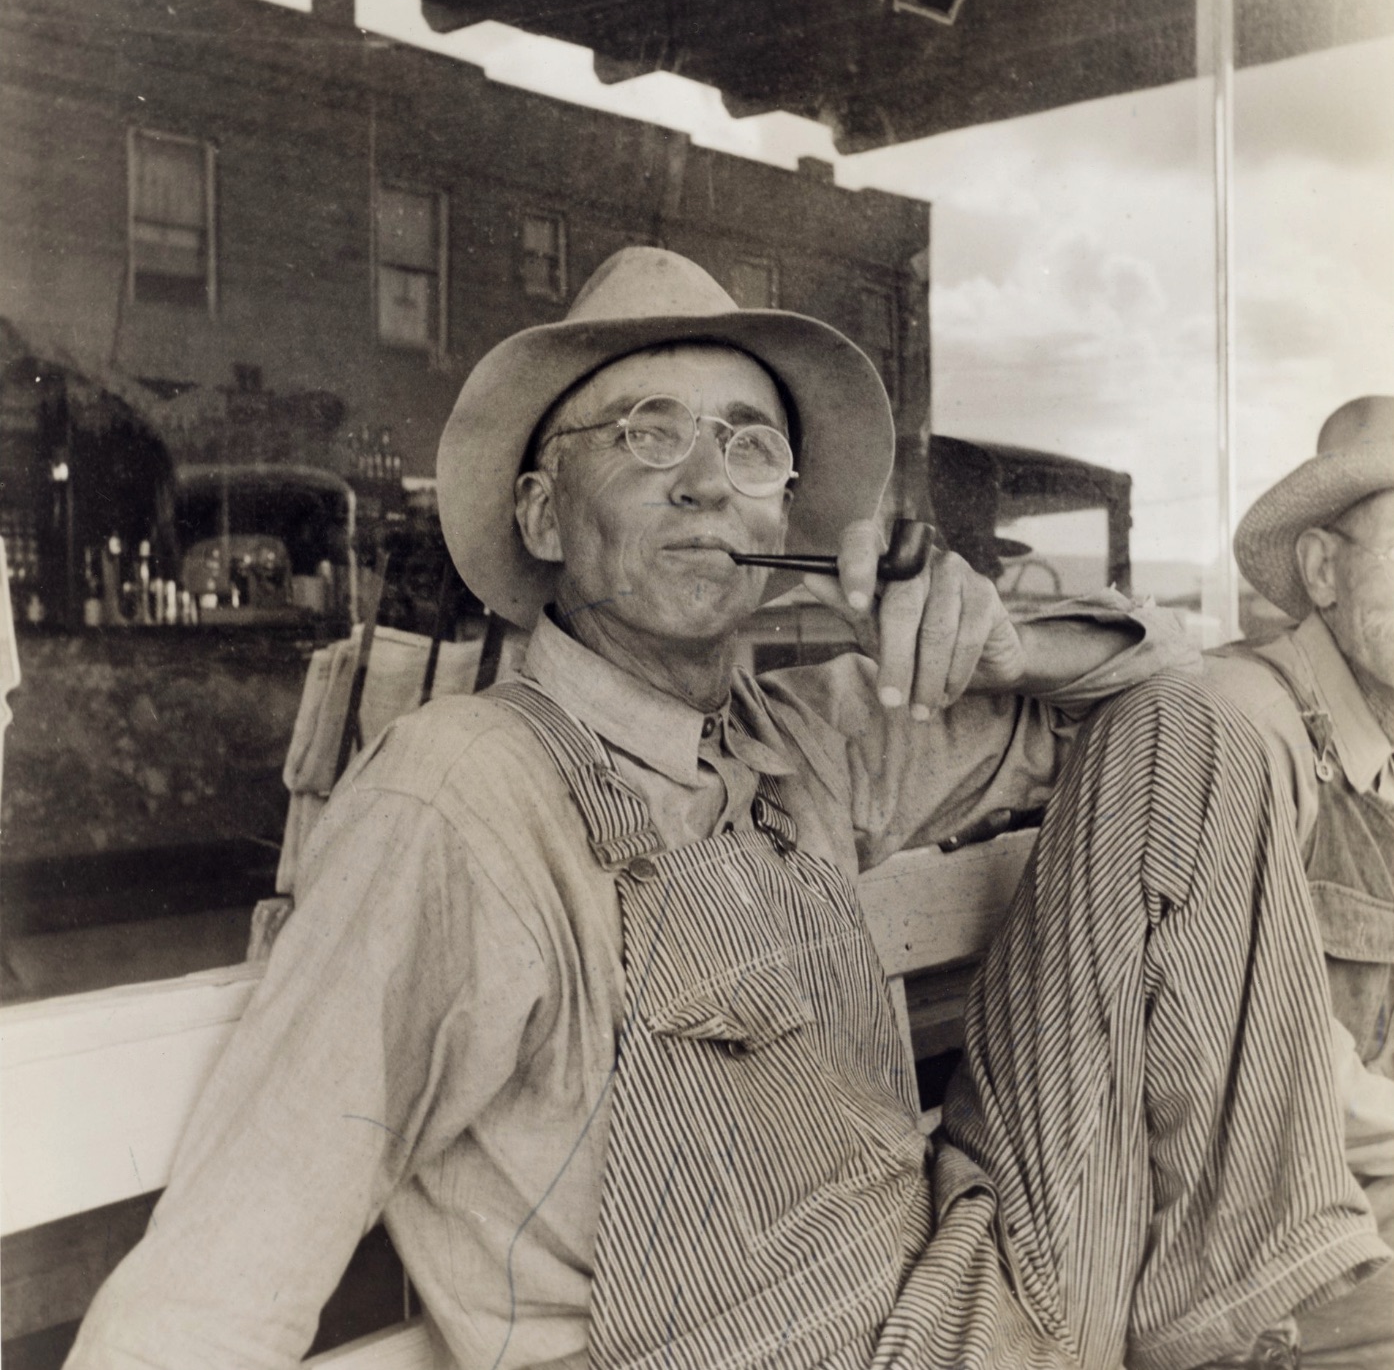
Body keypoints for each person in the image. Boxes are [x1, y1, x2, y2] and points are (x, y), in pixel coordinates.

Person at [67, 250, 1387, 1370]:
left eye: (747, 443)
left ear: (786, 517)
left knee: (1196, 720)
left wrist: (1000, 645)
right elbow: (216, 1276)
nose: (706, 478)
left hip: (981, 1306)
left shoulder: (795, 740)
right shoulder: (458, 797)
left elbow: (1169, 712)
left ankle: (1273, 1304)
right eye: (646, 431)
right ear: (540, 511)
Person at [1205, 397, 1394, 1370]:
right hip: (1243, 1250)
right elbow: (1277, 1074)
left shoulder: (1372, 742)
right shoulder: (1245, 726)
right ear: (1320, 568)